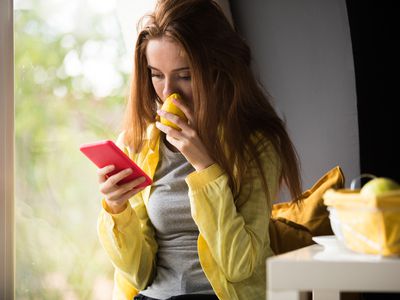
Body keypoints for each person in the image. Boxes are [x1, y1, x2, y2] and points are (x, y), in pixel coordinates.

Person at [96, 0, 302, 299]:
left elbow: (239, 266)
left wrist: (205, 168)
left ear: (219, 70)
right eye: (156, 74)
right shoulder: (138, 144)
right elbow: (138, 272)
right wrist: (117, 210)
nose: (168, 92)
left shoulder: (257, 145)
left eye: (185, 75)